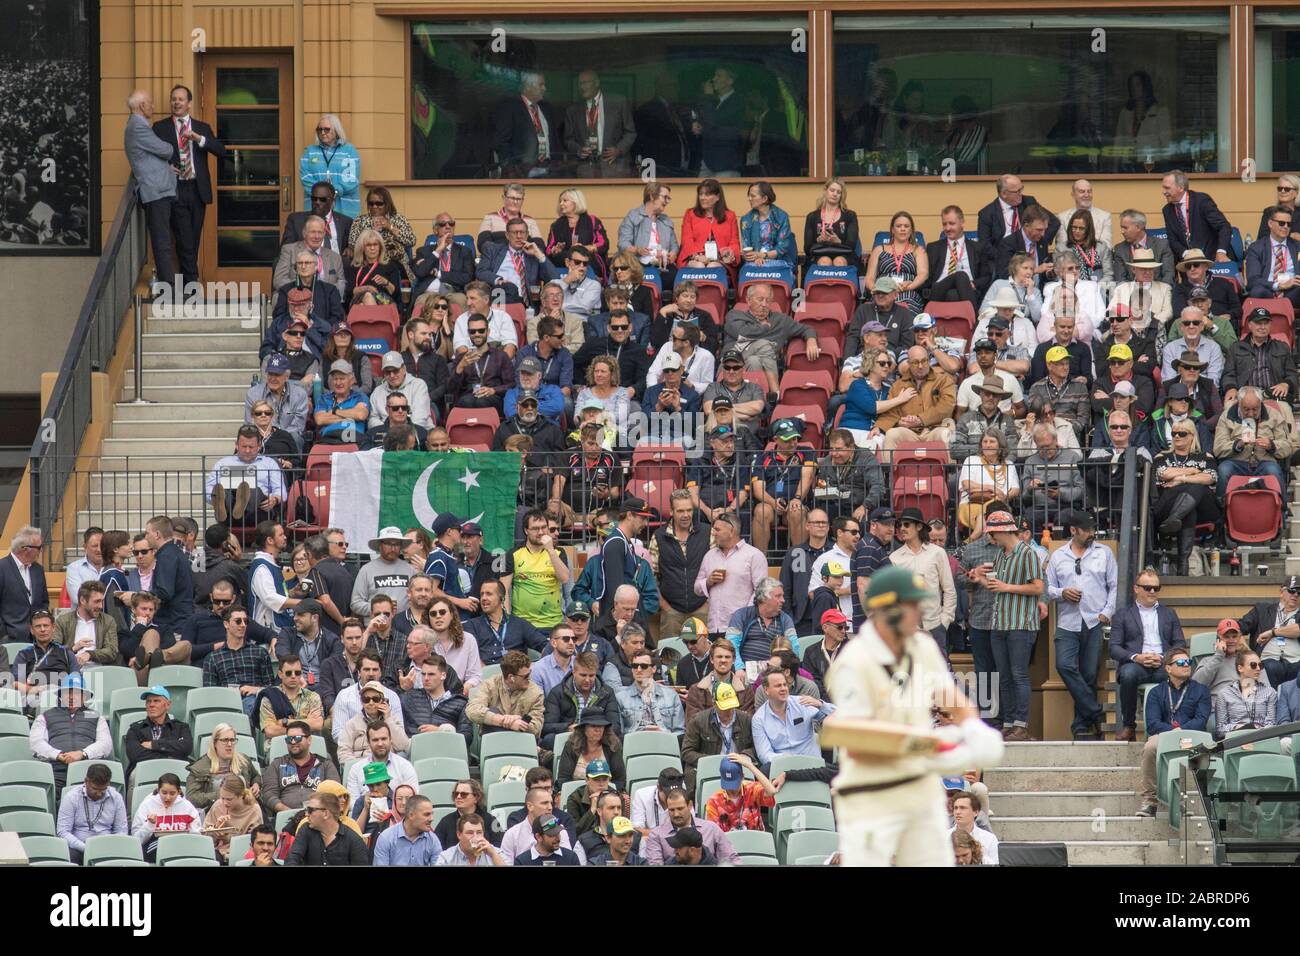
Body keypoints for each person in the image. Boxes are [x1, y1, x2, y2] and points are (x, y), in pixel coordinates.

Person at [828, 565, 1004, 866]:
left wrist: (974, 726)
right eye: (911, 606)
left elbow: (949, 696)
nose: (919, 612)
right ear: (887, 610)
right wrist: (937, 748)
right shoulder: (853, 664)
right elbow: (854, 737)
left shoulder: (921, 645)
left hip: (919, 791)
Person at [968, 510, 1043, 742]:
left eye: (992, 533)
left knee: (1018, 674)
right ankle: (1011, 724)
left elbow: (1038, 588)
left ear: (1002, 531)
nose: (990, 538)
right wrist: (978, 578)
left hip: (1020, 623)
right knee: (1005, 676)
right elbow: (996, 585)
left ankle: (1020, 724)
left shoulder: (1028, 553)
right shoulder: (1002, 555)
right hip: (1000, 622)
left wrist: (1006, 587)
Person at [1045, 512, 1117, 741]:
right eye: (1086, 529)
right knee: (1064, 665)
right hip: (1068, 621)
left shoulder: (1104, 553)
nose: (1092, 533)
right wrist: (1062, 593)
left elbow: (1114, 585)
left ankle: (1081, 727)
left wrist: (1107, 612)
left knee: (1088, 674)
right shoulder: (1058, 556)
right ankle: (1096, 712)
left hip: (1095, 620)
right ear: (1073, 530)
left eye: (1092, 529)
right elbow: (1047, 588)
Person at [1108, 568, 1187, 740]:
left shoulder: (1169, 613)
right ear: (1136, 588)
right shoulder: (1122, 615)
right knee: (1127, 674)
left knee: (1182, 673)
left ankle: (1174, 724)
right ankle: (1129, 726)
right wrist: (1137, 657)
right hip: (1136, 664)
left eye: (1156, 588)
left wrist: (1162, 658)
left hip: (1163, 663)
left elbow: (1180, 643)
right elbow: (1114, 647)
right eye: (1147, 588)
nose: (1152, 591)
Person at [1135, 647, 1211, 816]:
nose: (1186, 665)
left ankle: (1180, 800)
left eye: (1188, 662)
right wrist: (1173, 733)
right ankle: (1150, 800)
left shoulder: (1202, 690)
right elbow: (1153, 724)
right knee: (1150, 747)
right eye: (1181, 662)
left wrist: (1181, 732)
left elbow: (1201, 720)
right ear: (1168, 668)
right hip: (1163, 735)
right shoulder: (1156, 692)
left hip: (1193, 736)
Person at [123, 91, 177, 297]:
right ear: (142, 106)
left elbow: (150, 157)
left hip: (158, 190)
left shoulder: (136, 126)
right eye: (151, 103)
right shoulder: (138, 126)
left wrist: (165, 168)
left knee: (163, 239)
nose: (154, 106)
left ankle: (169, 285)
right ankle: (168, 288)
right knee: (162, 241)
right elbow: (166, 150)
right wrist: (168, 152)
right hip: (155, 192)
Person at [722, 282, 818, 396]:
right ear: (748, 300)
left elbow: (806, 329)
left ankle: (757, 398)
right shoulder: (735, 316)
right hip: (733, 361)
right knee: (764, 344)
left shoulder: (780, 321)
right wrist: (764, 327)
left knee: (754, 361)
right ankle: (776, 393)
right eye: (760, 299)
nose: (764, 304)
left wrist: (811, 340)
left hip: (758, 367)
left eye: (768, 300)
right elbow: (743, 333)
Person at [1151, 420, 1220, 575]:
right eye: (1174, 433)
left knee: (1198, 488)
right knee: (1190, 509)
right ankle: (1183, 564)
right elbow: (1163, 473)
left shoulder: (1205, 456)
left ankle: (1173, 519)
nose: (1177, 436)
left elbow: (1210, 477)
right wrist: (1193, 471)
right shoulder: (1162, 456)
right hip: (1168, 504)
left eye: (1182, 433)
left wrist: (1181, 479)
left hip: (1205, 507)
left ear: (1191, 436)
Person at [29, 673, 112, 790]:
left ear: (84, 697)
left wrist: (82, 753)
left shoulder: (97, 717)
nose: (72, 697)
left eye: (76, 693)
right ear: (61, 696)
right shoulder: (45, 717)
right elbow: (36, 743)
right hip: (56, 771)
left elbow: (106, 744)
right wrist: (58, 755)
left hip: (89, 771)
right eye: (68, 692)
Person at [887, 508, 957, 648]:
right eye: (900, 525)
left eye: (906, 525)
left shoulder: (937, 553)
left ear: (919, 527)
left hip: (935, 626)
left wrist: (944, 621)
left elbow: (949, 590)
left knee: (936, 670)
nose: (902, 529)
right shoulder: (894, 557)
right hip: (907, 628)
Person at [693, 514, 769, 639]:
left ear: (731, 531)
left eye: (718, 530)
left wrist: (743, 618)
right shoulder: (710, 555)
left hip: (742, 627)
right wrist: (708, 581)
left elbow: (761, 592)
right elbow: (697, 588)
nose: (713, 533)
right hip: (714, 627)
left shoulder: (754, 555)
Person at [875, 345, 956, 454]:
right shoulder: (898, 385)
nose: (920, 366)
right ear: (908, 363)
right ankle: (888, 471)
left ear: (929, 360)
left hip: (936, 428)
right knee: (891, 435)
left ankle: (950, 471)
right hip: (909, 431)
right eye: (915, 362)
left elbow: (946, 406)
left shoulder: (943, 379)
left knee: (946, 433)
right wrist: (880, 428)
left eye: (924, 361)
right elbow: (891, 413)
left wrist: (919, 420)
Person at [1212, 386, 1292, 495]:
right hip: (1237, 462)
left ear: (1261, 403)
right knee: (1224, 469)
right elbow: (1218, 448)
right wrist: (1237, 445)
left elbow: (1287, 446)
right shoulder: (1227, 416)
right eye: (1246, 409)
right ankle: (1221, 507)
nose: (1250, 413)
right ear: (1239, 403)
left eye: (1255, 409)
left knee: (1273, 470)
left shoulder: (1274, 415)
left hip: (1264, 462)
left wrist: (1271, 445)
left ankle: (1281, 509)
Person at [752, 668, 836, 769]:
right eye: (778, 686)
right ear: (766, 690)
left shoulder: (802, 703)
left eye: (784, 684)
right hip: (783, 768)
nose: (783, 688)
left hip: (812, 766)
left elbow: (840, 716)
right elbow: (764, 755)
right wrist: (788, 759)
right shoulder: (759, 719)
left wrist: (821, 705)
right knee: (765, 770)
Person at [642, 787, 740, 865]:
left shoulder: (711, 829)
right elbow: (655, 864)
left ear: (690, 805)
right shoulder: (657, 835)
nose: (676, 814)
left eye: (680, 808)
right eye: (671, 810)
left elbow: (731, 859)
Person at [955, 416, 1019, 536]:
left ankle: (970, 542)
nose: (988, 445)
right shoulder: (972, 460)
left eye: (992, 441)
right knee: (987, 512)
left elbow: (1015, 489)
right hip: (971, 504)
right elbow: (966, 484)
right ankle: (973, 540)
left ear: (1001, 445)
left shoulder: (1009, 465)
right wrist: (990, 488)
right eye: (985, 442)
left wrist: (1004, 496)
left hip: (1000, 507)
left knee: (993, 509)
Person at [1222, 307, 1299, 404]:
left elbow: (1292, 374)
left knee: (1286, 413)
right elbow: (1228, 374)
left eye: (1266, 323)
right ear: (1250, 325)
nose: (1263, 327)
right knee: (1228, 407)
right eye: (1259, 323)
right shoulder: (1236, 348)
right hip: (1243, 396)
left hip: (1273, 396)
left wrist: (1285, 384)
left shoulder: (1282, 347)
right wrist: (1231, 388)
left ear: (1270, 325)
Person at [56, 762, 129, 864]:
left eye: (103, 789)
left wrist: (111, 846)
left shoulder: (116, 798)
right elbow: (62, 832)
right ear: (86, 781)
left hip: (108, 846)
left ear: (108, 784)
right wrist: (86, 848)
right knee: (69, 855)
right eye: (95, 789)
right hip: (79, 847)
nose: (99, 793)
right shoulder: (71, 797)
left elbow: (122, 831)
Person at [466, 649, 543, 738]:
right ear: (511, 677)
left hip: (522, 739)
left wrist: (517, 719)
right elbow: (472, 710)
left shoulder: (536, 692)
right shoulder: (490, 685)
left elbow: (536, 727)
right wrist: (503, 721)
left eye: (529, 673)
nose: (529, 678)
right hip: (494, 740)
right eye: (526, 676)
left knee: (491, 719)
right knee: (492, 712)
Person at [1238, 578, 1300, 689]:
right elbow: (1238, 628)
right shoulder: (1262, 610)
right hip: (1267, 661)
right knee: (1268, 667)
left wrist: (1273, 632)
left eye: (1299, 592)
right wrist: (1248, 652)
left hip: (1296, 661)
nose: (1295, 595)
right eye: (1292, 590)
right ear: (1281, 592)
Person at [923, 205, 989, 307]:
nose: (948, 228)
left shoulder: (977, 248)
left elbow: (986, 276)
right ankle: (974, 317)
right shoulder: (933, 248)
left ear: (962, 223)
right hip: (939, 290)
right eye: (944, 224)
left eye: (952, 224)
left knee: (953, 295)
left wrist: (973, 284)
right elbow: (927, 278)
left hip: (967, 291)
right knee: (961, 275)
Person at [188, 721, 263, 811]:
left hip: (244, 812)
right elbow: (191, 797)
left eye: (232, 740)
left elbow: (256, 776)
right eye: (225, 740)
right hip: (215, 813)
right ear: (215, 743)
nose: (229, 744)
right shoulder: (200, 767)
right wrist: (222, 795)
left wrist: (256, 784)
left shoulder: (244, 761)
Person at [1161, 170, 1232, 263]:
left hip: (1211, 260)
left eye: (1167, 188)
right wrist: (1186, 254)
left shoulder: (1201, 201)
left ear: (1181, 188)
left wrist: (1221, 252)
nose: (1164, 192)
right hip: (1188, 264)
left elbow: (1224, 227)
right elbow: (1172, 239)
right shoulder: (1167, 210)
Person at [132, 771, 203, 860]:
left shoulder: (187, 807)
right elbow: (136, 840)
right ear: (158, 790)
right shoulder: (147, 805)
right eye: (164, 793)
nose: (168, 797)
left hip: (182, 845)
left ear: (179, 791)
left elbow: (196, 835)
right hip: (156, 846)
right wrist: (150, 825)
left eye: (172, 793)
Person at [300, 114, 360, 218]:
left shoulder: (349, 150)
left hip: (345, 210)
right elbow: (305, 178)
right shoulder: (309, 151)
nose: (322, 133)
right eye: (319, 129)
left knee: (343, 233)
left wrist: (332, 192)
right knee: (316, 233)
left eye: (326, 129)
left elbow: (352, 179)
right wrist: (323, 195)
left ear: (336, 130)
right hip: (317, 209)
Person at [285, 794, 371, 866]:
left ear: (326, 814)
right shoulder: (305, 829)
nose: (306, 814)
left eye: (310, 810)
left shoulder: (354, 841)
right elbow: (292, 858)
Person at [867, 211, 928, 311]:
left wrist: (909, 286)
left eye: (906, 226)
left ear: (911, 230)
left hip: (908, 293)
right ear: (892, 229)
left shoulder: (918, 250)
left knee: (906, 311)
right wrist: (878, 290)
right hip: (882, 293)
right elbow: (869, 277)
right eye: (899, 226)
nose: (903, 229)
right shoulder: (878, 249)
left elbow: (923, 274)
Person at [1213, 648, 1277, 741]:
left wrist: (1255, 730)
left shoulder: (1270, 692)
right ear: (1240, 668)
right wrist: (1239, 728)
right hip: (1235, 739)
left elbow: (1271, 725)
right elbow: (1220, 730)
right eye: (1253, 665)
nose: (1258, 668)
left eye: (1260, 665)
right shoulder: (1224, 694)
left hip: (1262, 739)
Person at [617, 649, 686, 734]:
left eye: (644, 666)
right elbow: (618, 734)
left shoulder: (671, 696)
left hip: (664, 743)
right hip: (634, 744)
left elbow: (679, 731)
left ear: (653, 669)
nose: (638, 670)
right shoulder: (621, 697)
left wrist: (664, 735)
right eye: (635, 666)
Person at [55, 580, 119, 671]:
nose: (101, 606)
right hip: (69, 670)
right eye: (97, 601)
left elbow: (112, 650)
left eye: (102, 601)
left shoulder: (108, 621)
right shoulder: (63, 621)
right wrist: (73, 649)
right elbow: (53, 650)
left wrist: (90, 654)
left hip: (98, 671)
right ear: (83, 600)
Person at [704, 753, 776, 832]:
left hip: (755, 841)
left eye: (734, 783)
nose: (731, 789)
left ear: (742, 777)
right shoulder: (713, 801)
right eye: (728, 784)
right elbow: (714, 835)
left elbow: (771, 791)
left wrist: (749, 765)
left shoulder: (751, 789)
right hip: (728, 843)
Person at [203, 775, 262, 862]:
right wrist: (215, 831)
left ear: (241, 795)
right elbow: (205, 840)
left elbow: (256, 841)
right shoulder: (218, 806)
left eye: (229, 799)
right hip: (219, 853)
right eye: (222, 798)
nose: (225, 803)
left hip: (244, 854)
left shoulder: (254, 810)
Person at [803, 177, 859, 266]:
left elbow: (852, 245)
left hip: (844, 254)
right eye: (832, 190)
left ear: (841, 196)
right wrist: (819, 240)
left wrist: (838, 241)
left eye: (838, 192)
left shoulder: (849, 215)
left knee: (839, 262)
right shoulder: (812, 217)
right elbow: (807, 248)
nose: (835, 194)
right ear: (825, 191)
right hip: (819, 254)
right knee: (825, 261)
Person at [1114, 208, 1175, 284]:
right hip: (1131, 293)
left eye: (1125, 228)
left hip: (1159, 291)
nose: (1122, 232)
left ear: (1138, 227)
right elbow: (1121, 280)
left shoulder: (1162, 245)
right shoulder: (1120, 249)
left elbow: (1168, 276)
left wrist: (1158, 293)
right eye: (1121, 227)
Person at [315, 360, 370, 444]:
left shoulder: (360, 397)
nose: (338, 383)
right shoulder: (324, 398)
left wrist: (334, 411)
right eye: (335, 379)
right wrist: (350, 416)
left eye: (342, 378)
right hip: (329, 438)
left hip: (353, 439)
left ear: (351, 380)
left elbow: (361, 415)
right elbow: (320, 420)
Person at [436, 812, 505, 866]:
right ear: (459, 835)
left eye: (479, 832)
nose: (475, 837)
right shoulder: (446, 858)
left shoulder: (496, 853)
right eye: (470, 833)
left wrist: (493, 855)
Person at [948, 792, 998, 864]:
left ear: (976, 812)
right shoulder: (943, 837)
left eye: (963, 808)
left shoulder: (989, 838)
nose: (958, 812)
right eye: (956, 808)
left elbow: (996, 864)